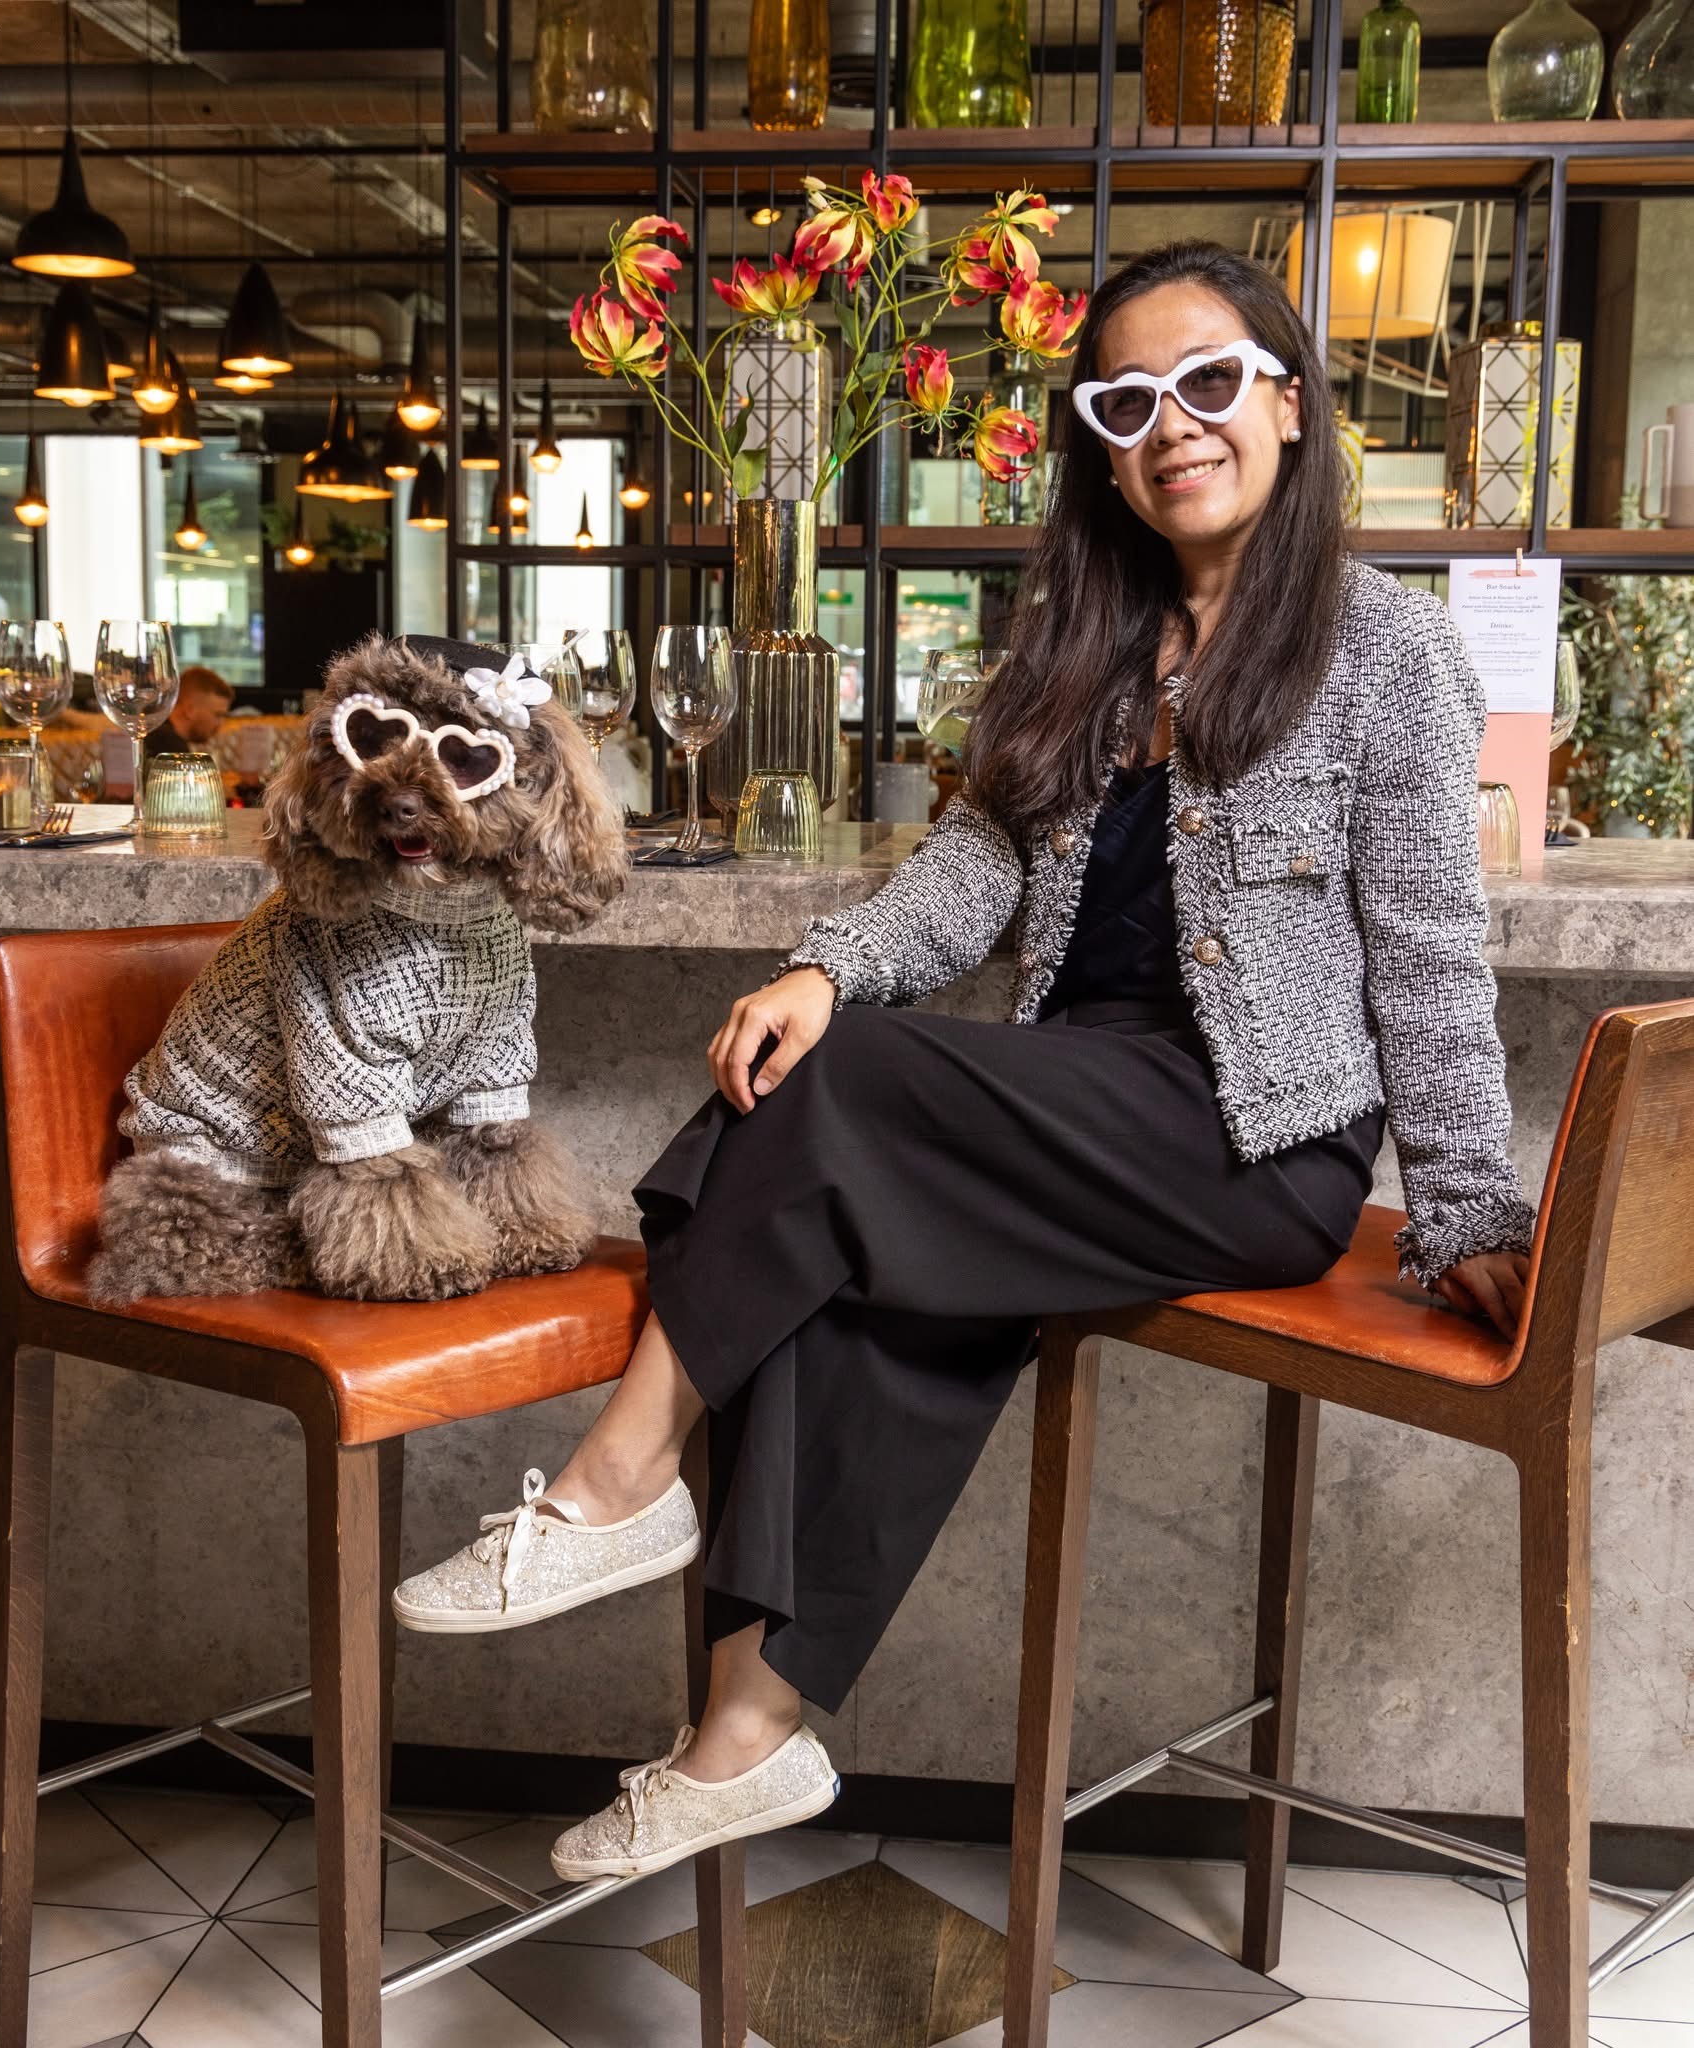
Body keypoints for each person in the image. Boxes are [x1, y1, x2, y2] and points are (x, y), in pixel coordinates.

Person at [393, 240, 1538, 1883]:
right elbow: (977, 865)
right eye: (1127, 402)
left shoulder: (1390, 651)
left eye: (1209, 382)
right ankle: (743, 1738)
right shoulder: (1086, 639)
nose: (1172, 425)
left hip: (1255, 1139)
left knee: (842, 1093)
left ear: (1289, 402)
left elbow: (1428, 952)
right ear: (1101, 444)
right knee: (830, 1219)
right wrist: (826, 966)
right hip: (1079, 1099)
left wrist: (1468, 1207)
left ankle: (617, 1476)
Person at [145, 664, 232, 761]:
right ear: (190, 710)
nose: (221, 723)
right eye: (218, 715)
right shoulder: (170, 747)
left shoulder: (154, 732)